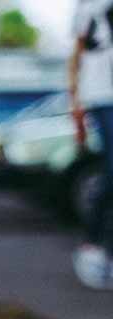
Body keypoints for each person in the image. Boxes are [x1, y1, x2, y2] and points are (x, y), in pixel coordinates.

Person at [71, 0, 113, 288]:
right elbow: (76, 56)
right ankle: (91, 245)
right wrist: (75, 102)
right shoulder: (90, 5)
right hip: (102, 96)